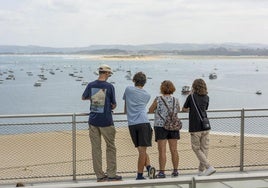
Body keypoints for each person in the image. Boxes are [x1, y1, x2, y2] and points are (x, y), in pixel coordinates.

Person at [82, 64, 122, 182]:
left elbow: (83, 97)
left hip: (93, 120)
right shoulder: (109, 87)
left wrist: (95, 99)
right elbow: (114, 104)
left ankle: (99, 175)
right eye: (109, 74)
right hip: (106, 121)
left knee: (96, 149)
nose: (109, 75)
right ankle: (111, 174)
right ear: (106, 73)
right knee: (110, 147)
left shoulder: (91, 85)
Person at [123, 71, 156, 180]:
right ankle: (148, 168)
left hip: (132, 124)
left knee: (141, 151)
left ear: (134, 80)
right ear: (144, 82)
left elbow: (125, 108)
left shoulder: (128, 90)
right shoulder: (147, 95)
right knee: (142, 151)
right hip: (143, 123)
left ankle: (140, 175)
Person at [182, 78, 216, 176]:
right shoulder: (207, 97)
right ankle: (201, 171)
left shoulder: (191, 97)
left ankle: (209, 167)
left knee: (196, 148)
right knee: (204, 149)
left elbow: (184, 109)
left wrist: (190, 109)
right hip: (205, 126)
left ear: (194, 86)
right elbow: (205, 109)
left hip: (195, 127)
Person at [149, 80, 180, 178]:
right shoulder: (176, 99)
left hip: (160, 126)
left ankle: (162, 172)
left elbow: (150, 110)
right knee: (174, 150)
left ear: (162, 88)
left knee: (162, 150)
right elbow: (178, 110)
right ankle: (175, 171)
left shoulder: (158, 99)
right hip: (173, 126)